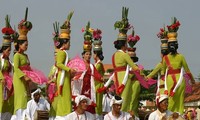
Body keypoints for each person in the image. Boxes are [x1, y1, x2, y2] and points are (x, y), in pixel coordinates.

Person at [13, 8, 47, 120]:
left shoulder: (26, 56)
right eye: (25, 44)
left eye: (27, 44)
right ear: (19, 44)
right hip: (20, 80)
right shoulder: (17, 55)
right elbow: (16, 68)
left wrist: (34, 78)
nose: (26, 46)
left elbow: (29, 68)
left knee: (27, 101)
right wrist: (25, 76)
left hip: (27, 81)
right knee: (21, 102)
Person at [162, 26, 195, 114]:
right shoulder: (181, 57)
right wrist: (193, 81)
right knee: (180, 101)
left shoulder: (165, 58)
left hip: (170, 80)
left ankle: (168, 116)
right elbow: (187, 71)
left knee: (170, 99)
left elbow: (163, 72)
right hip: (180, 81)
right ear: (177, 46)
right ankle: (179, 116)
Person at [72, 22, 103, 115]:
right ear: (83, 55)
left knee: (89, 107)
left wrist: (103, 81)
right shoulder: (78, 65)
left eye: (90, 54)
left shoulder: (92, 66)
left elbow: (98, 76)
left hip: (89, 88)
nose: (89, 56)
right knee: (79, 106)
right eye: (86, 54)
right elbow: (74, 75)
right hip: (80, 87)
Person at [52, 11, 76, 119]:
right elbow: (58, 64)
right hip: (62, 77)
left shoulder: (64, 53)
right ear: (65, 42)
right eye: (69, 42)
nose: (70, 44)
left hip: (65, 77)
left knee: (67, 96)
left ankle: (66, 112)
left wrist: (71, 72)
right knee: (63, 96)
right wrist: (68, 69)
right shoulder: (61, 52)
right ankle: (62, 114)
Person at [0, 15, 15, 120]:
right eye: (8, 50)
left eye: (10, 50)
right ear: (4, 49)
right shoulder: (0, 59)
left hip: (9, 84)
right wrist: (2, 78)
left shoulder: (9, 61)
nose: (9, 52)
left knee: (9, 102)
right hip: (1, 83)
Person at [92, 28, 105, 119]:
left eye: (93, 54)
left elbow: (94, 72)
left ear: (96, 54)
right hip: (96, 84)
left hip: (98, 85)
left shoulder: (99, 64)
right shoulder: (96, 63)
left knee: (98, 103)